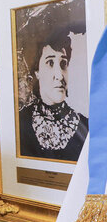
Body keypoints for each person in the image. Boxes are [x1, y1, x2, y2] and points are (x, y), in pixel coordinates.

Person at [18, 28, 89, 161]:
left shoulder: (86, 126)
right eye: (50, 63)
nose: (59, 75)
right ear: (36, 71)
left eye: (63, 64)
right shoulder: (20, 123)